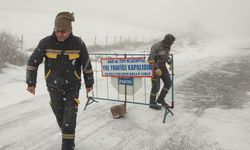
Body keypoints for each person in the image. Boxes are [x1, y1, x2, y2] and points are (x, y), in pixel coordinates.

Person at [26, 12, 94, 150]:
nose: (60, 34)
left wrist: (89, 83)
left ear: (70, 30)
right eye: (57, 31)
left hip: (72, 87)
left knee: (69, 117)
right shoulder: (46, 42)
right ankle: (68, 137)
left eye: (63, 31)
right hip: (53, 86)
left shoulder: (78, 43)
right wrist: (31, 83)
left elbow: (86, 64)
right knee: (60, 116)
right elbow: (33, 62)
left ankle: (67, 145)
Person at [148, 34, 175, 110]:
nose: (172, 44)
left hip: (162, 67)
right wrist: (156, 68)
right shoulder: (156, 46)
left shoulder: (167, 46)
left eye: (172, 43)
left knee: (168, 83)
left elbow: (166, 56)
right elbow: (150, 59)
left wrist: (170, 63)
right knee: (155, 87)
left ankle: (160, 99)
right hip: (154, 67)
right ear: (168, 41)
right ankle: (152, 103)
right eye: (171, 42)